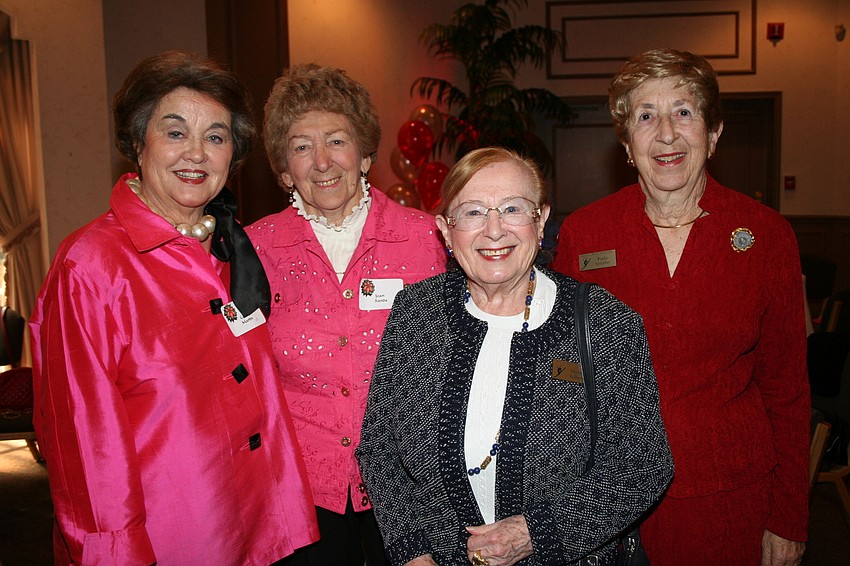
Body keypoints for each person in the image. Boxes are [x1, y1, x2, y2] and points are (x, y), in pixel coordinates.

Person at [29, 50, 318, 565]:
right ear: (138, 143)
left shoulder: (233, 250)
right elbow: (82, 449)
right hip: (172, 541)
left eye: (215, 137)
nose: (197, 155)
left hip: (257, 525)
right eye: (175, 132)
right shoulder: (91, 266)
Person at [553, 48, 810, 566]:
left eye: (684, 112)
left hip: (731, 499)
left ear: (714, 134)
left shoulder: (767, 236)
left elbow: (786, 386)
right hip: (611, 502)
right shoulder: (585, 233)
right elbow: (562, 371)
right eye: (645, 116)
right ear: (627, 144)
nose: (666, 132)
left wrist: (789, 516)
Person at [356, 147, 673, 566]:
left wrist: (535, 533)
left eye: (512, 209)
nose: (493, 230)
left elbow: (644, 464)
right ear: (446, 231)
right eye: (472, 213)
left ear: (541, 220)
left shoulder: (605, 323)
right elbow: (379, 449)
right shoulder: (416, 312)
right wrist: (414, 551)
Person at [246, 64, 446, 565]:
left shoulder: (426, 238)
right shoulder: (253, 249)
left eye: (336, 140)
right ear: (283, 168)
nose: (321, 162)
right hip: (299, 489)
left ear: (364, 153)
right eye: (300, 146)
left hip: (412, 483)